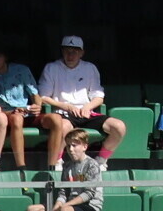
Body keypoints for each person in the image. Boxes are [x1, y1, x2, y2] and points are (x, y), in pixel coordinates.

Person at [37, 34, 126, 168]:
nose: (70, 55)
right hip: (62, 112)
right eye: (67, 51)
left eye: (74, 51)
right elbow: (43, 97)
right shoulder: (51, 68)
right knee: (63, 126)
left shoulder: (90, 68)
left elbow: (98, 96)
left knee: (119, 126)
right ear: (62, 51)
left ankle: (101, 160)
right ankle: (57, 161)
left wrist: (87, 107)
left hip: (85, 112)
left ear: (82, 53)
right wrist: (65, 106)